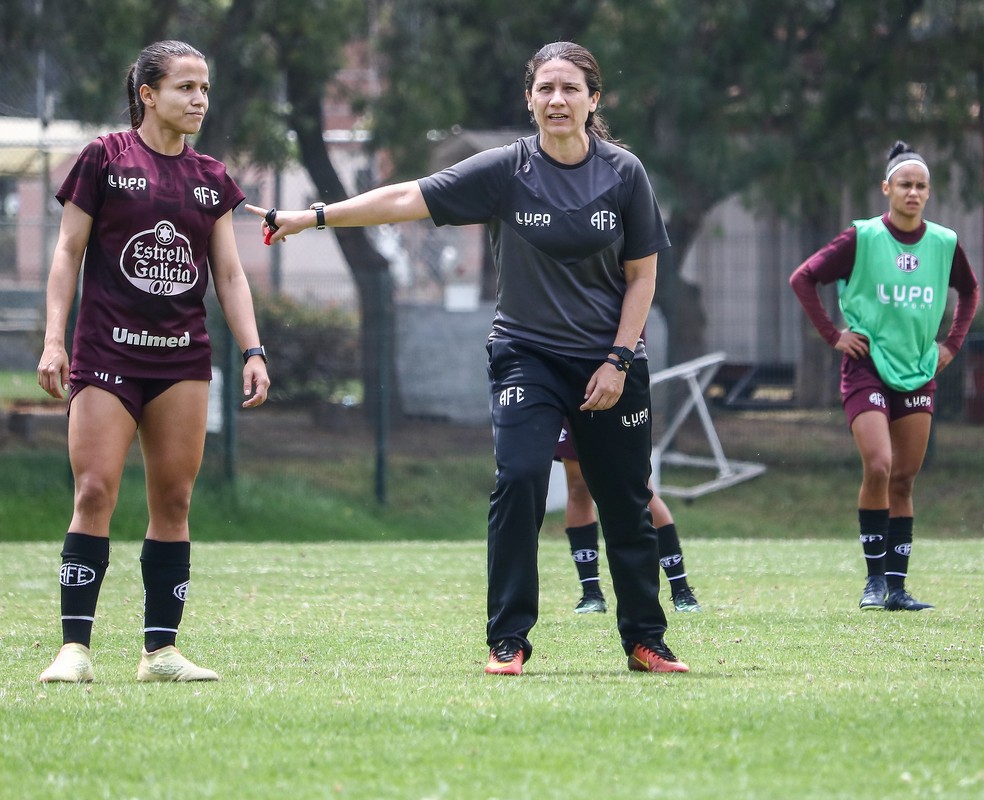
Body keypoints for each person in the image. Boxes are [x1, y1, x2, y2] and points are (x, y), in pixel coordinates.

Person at [247, 41, 689, 675]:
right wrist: (314, 215)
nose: (557, 100)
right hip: (527, 356)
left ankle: (646, 639)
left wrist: (618, 360)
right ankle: (508, 640)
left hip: (608, 364)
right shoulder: (508, 169)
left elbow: (642, 278)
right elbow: (406, 198)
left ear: (595, 100)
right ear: (530, 98)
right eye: (545, 89)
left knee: (626, 498)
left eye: (570, 89)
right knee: (520, 481)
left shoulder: (624, 173)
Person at [37, 40, 270, 683]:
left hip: (182, 361)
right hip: (105, 357)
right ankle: (74, 651)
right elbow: (66, 253)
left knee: (173, 499)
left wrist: (252, 350)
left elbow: (228, 272)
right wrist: (54, 339)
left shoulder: (211, 178)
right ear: (148, 94)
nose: (199, 99)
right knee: (94, 491)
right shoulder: (103, 159)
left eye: (203, 88)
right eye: (184, 87)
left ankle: (160, 652)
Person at [789, 140, 978, 612]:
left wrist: (951, 345)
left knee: (904, 480)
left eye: (921, 186)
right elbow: (803, 278)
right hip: (867, 367)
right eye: (905, 184)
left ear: (928, 194)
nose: (913, 193)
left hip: (918, 370)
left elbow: (970, 291)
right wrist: (833, 335)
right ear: (887, 188)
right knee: (878, 465)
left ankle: (897, 588)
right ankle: (873, 582)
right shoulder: (863, 237)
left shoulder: (943, 242)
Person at [554, 423, 701, 614]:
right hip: (573, 401)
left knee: (642, 490)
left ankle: (681, 589)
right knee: (579, 487)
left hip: (622, 403)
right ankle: (591, 593)